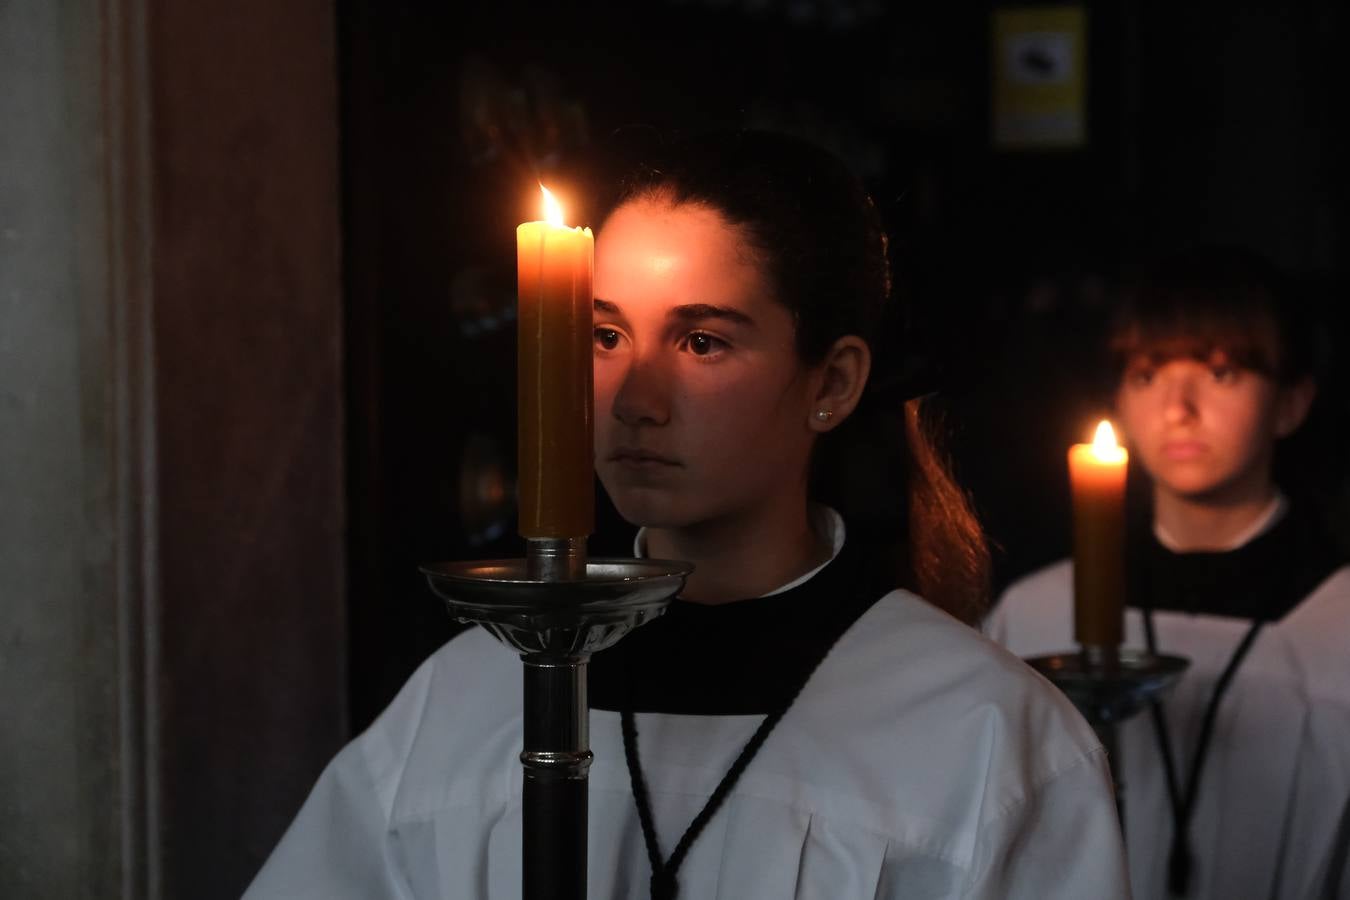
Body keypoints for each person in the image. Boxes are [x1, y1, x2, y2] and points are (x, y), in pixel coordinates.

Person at [245, 130, 1128, 899]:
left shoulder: (979, 735)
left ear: (832, 383)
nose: (635, 398)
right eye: (603, 336)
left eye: (702, 342)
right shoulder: (463, 698)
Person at [988, 247, 1350, 900]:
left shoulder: (1337, 619)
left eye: (1222, 372)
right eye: (1149, 373)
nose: (1179, 408)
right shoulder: (1037, 612)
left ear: (1292, 404)